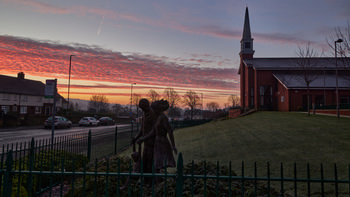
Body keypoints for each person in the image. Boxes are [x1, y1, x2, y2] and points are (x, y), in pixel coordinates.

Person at [138, 99, 177, 172]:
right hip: (157, 142)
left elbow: (170, 131)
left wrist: (173, 145)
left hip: (162, 142)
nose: (153, 111)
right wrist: (143, 138)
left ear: (158, 109)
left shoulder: (163, 118)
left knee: (160, 164)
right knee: (157, 164)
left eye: (154, 109)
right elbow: (153, 131)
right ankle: (158, 181)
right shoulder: (158, 118)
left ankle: (159, 181)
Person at [132, 99, 157, 178]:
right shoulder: (144, 115)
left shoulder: (153, 115)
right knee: (144, 163)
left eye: (143, 108)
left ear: (147, 106)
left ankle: (150, 183)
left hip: (153, 143)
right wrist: (136, 137)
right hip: (146, 143)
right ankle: (146, 182)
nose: (142, 110)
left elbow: (154, 130)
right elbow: (142, 129)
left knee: (150, 163)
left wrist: (143, 138)